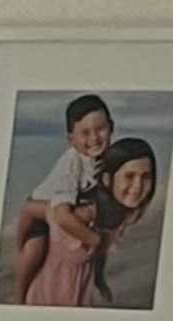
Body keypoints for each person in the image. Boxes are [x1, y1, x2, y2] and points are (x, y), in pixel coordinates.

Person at [22, 125, 159, 307]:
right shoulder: (84, 211)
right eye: (129, 176)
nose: (138, 186)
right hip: (49, 293)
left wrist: (99, 280)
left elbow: (100, 250)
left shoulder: (123, 213)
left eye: (146, 177)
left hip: (81, 290)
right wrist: (24, 245)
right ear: (107, 179)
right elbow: (31, 209)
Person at [8, 92, 117, 304]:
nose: (94, 138)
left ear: (111, 127)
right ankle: (18, 298)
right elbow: (60, 215)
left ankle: (99, 280)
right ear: (71, 140)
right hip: (46, 207)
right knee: (35, 249)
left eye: (100, 129)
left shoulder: (110, 157)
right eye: (84, 133)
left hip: (75, 205)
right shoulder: (71, 164)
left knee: (97, 239)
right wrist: (94, 240)